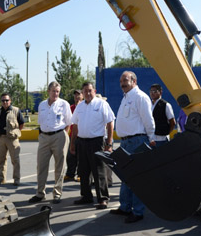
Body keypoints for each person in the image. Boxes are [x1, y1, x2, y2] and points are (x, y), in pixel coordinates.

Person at [110, 71, 155, 223]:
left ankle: (138, 211)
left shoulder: (140, 97)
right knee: (126, 177)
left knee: (137, 178)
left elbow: (148, 120)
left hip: (138, 141)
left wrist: (152, 139)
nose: (122, 83)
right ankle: (125, 207)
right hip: (125, 142)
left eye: (126, 80)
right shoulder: (126, 98)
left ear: (134, 81)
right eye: (121, 80)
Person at [70, 82, 115, 209]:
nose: (88, 93)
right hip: (82, 142)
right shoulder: (79, 107)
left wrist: (109, 143)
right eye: (85, 91)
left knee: (99, 171)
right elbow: (75, 126)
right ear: (82, 93)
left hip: (97, 142)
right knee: (83, 171)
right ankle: (86, 196)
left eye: (90, 91)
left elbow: (110, 123)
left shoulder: (102, 104)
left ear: (94, 91)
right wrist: (73, 144)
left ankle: (103, 198)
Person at [29, 81, 72, 204]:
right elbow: (41, 122)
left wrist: (64, 136)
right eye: (53, 91)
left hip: (59, 136)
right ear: (48, 91)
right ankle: (40, 193)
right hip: (44, 137)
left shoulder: (64, 104)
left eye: (58, 91)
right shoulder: (42, 105)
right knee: (41, 166)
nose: (56, 93)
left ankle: (57, 193)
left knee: (59, 166)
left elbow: (69, 122)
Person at [0, 93, 24, 186]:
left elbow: (21, 124)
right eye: (3, 100)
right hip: (1, 138)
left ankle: (16, 179)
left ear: (10, 101)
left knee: (15, 160)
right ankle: (1, 178)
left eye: (7, 100)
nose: (5, 102)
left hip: (12, 139)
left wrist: (15, 132)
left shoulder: (16, 110)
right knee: (1, 160)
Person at [149, 84, 176, 148]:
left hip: (162, 139)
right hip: (151, 139)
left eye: (155, 91)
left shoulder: (166, 105)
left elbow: (172, 122)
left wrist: (166, 132)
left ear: (160, 92)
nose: (152, 93)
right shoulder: (148, 104)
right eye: (151, 91)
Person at [65, 89, 83, 182]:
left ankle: (80, 174)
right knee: (70, 156)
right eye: (75, 95)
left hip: (82, 136)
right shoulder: (70, 107)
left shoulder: (84, 107)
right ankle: (70, 174)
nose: (77, 97)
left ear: (82, 95)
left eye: (79, 94)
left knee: (81, 157)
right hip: (72, 135)